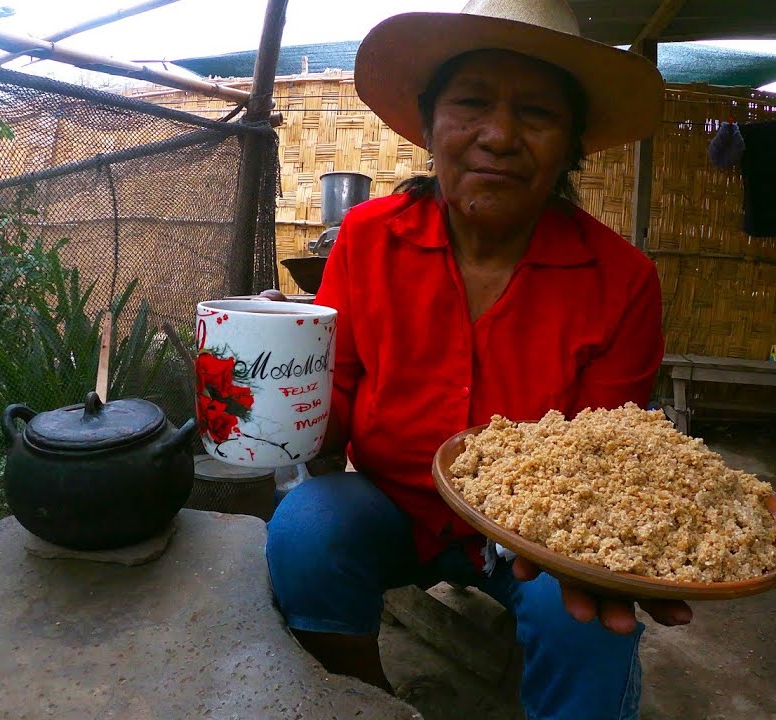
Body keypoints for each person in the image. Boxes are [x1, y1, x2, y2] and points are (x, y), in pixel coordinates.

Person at [263, 1, 692, 717]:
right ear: (429, 126)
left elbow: (608, 459)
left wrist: (615, 540)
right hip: (389, 505)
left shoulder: (620, 280)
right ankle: (366, 703)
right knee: (306, 528)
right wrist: (268, 406)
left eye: (536, 113)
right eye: (470, 104)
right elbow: (333, 396)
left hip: (535, 531)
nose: (498, 135)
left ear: (571, 146)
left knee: (583, 619)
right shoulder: (368, 240)